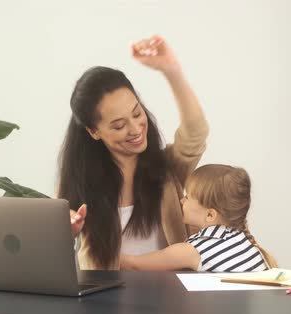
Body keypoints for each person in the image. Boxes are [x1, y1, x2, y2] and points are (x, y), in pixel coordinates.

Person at [58, 35, 209, 270]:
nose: (136, 129)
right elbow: (53, 254)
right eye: (118, 126)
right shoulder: (79, 182)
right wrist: (66, 233)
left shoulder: (168, 169)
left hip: (172, 298)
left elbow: (196, 133)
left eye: (137, 113)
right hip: (104, 301)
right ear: (94, 131)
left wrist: (172, 71)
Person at [120, 164, 278, 272]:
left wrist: (99, 253)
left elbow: (135, 265)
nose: (181, 200)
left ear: (210, 215)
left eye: (187, 197)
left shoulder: (195, 250)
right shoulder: (239, 236)